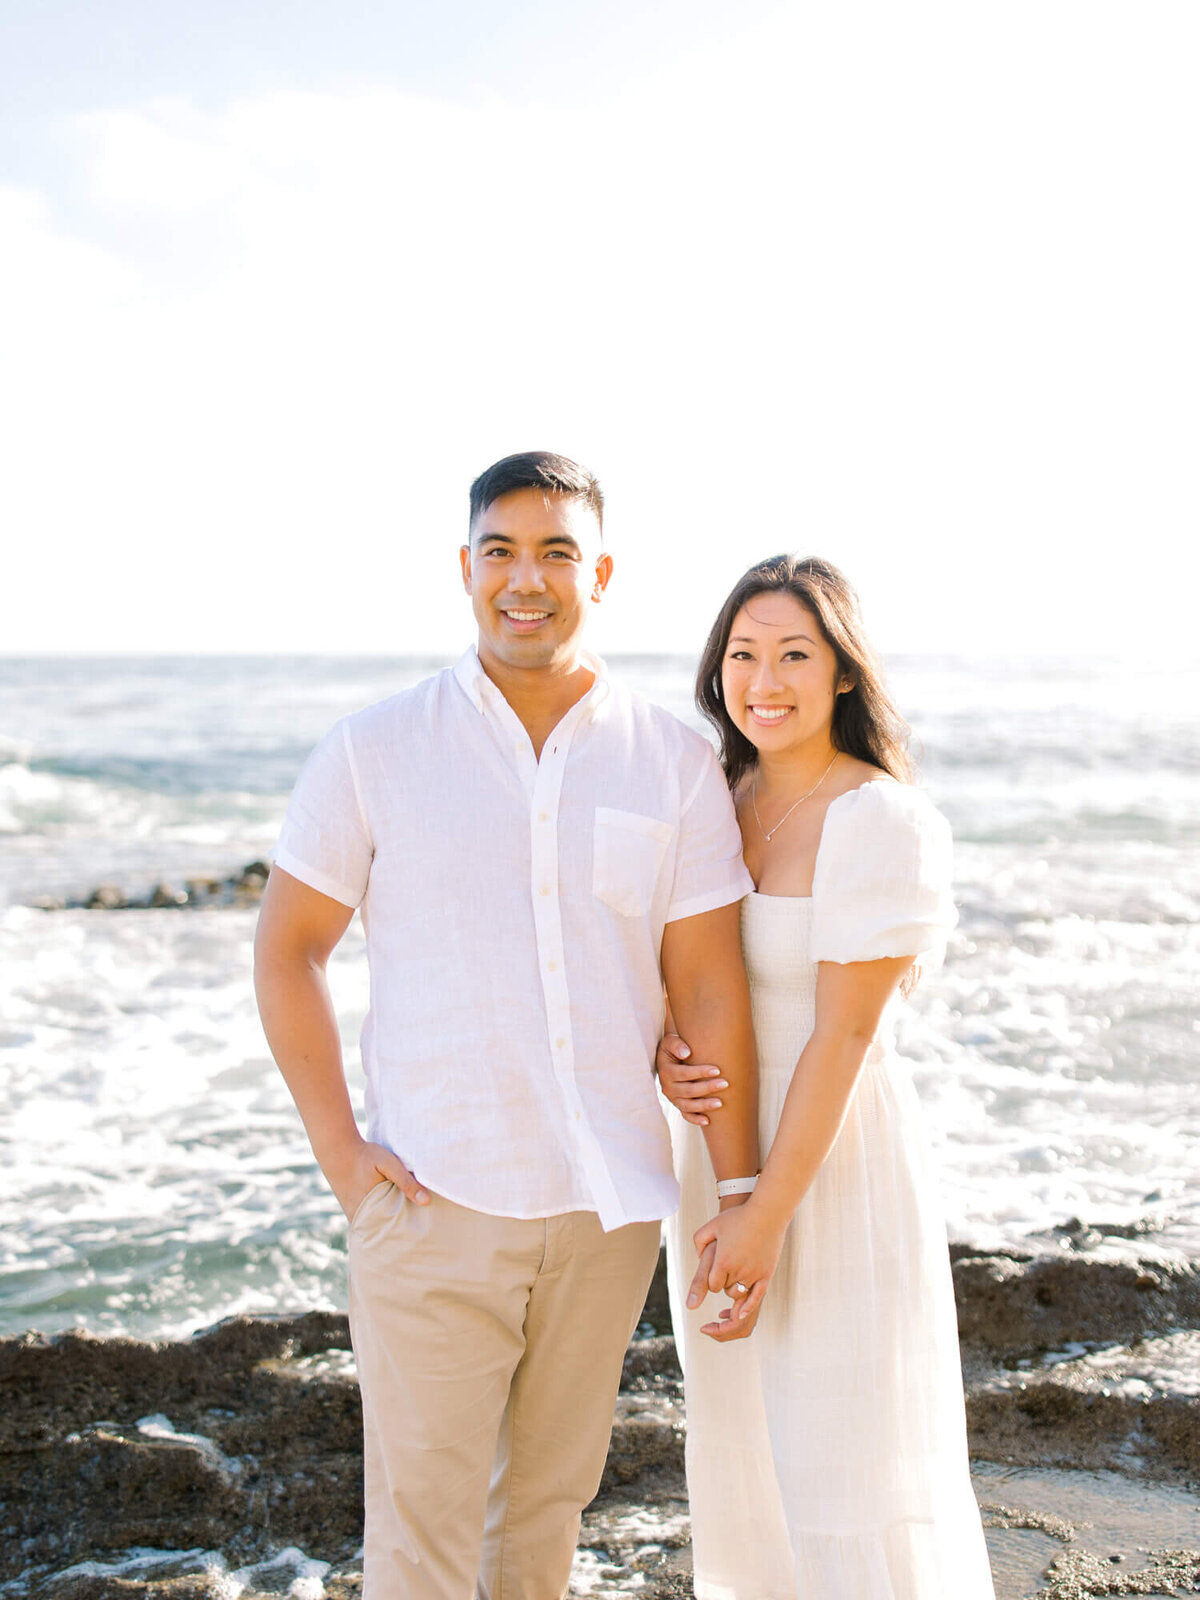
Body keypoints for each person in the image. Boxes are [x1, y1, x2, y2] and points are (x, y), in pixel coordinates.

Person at [253, 451, 763, 1600]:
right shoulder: (374, 750)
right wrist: (347, 1162)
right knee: (422, 1540)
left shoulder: (673, 762)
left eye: (556, 553)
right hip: (434, 1201)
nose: (525, 579)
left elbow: (710, 985)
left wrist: (735, 1192)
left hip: (605, 1210)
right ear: (466, 568)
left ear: (603, 572)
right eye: (501, 551)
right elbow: (288, 952)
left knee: (543, 1520)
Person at [657, 555, 995, 1598]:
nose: (766, 678)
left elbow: (842, 1037)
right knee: (743, 1450)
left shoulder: (878, 821)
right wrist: (661, 1041)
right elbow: (684, 968)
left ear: (843, 673)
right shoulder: (714, 795)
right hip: (715, 1165)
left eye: (795, 653)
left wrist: (763, 1213)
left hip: (831, 1171)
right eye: (745, 653)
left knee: (844, 1461)